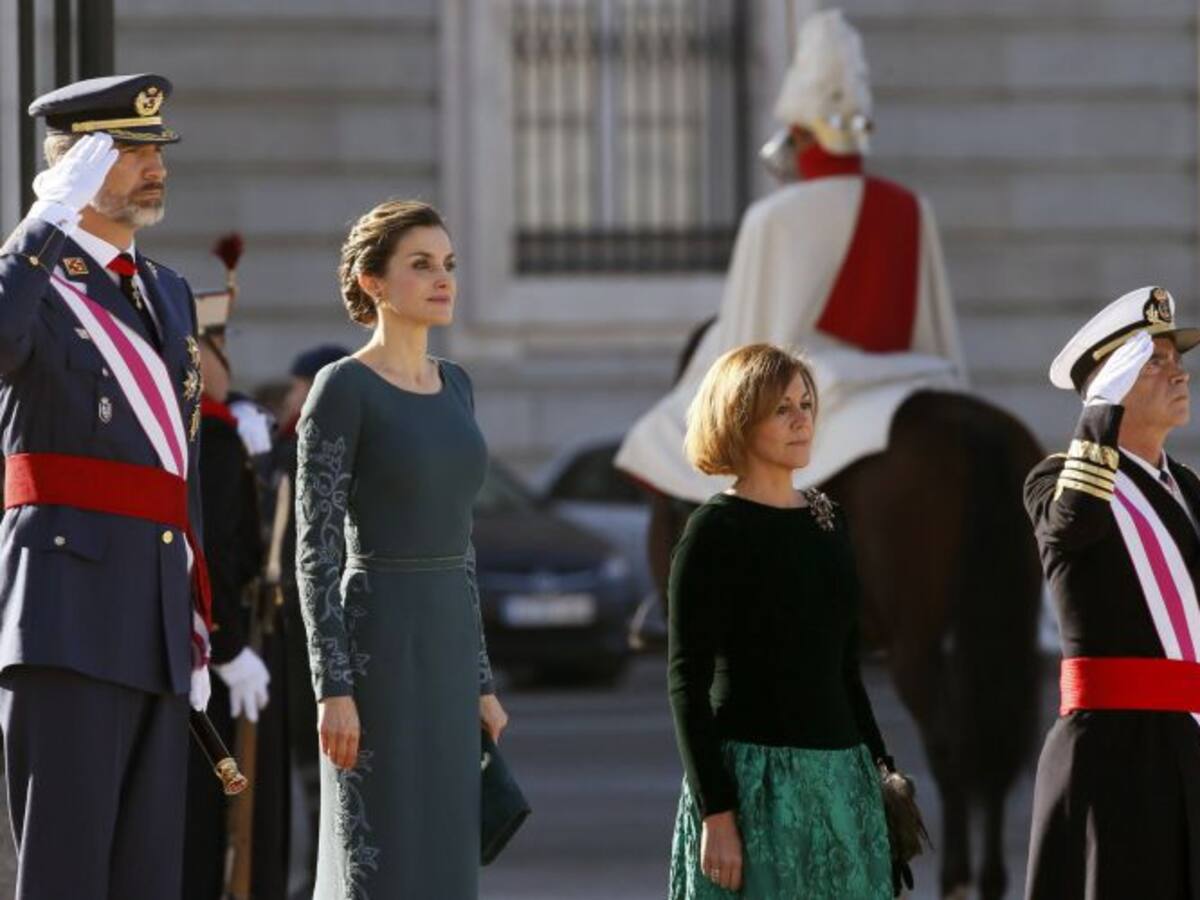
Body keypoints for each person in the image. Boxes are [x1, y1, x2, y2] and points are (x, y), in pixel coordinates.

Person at [0, 73, 211, 898]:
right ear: (75, 165)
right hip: (67, 614)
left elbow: (178, 465)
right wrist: (43, 222)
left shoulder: (167, 290)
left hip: (155, 616)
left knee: (147, 877)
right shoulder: (33, 278)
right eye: (129, 150)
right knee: (66, 872)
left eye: (157, 149)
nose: (156, 166)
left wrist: (196, 613)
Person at [616, 7, 964, 503]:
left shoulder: (773, 216)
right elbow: (934, 329)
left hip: (815, 381)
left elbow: (748, 339)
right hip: (913, 371)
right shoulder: (911, 207)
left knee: (663, 435)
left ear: (799, 134)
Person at [295, 200, 508, 898]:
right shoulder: (342, 388)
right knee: (379, 857)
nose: (443, 278)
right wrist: (333, 688)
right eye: (421, 264)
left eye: (448, 264)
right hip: (376, 649)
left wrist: (481, 680)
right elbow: (315, 550)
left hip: (448, 647)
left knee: (446, 857)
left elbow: (463, 545)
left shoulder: (459, 386)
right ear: (374, 281)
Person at [667, 343, 903, 899]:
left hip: (844, 787)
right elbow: (686, 685)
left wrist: (884, 779)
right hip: (754, 791)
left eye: (805, 404)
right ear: (738, 419)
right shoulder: (713, 531)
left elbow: (846, 671)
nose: (802, 420)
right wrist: (717, 812)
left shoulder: (828, 520)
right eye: (781, 409)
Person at [1024, 286, 1200, 899]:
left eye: (1176, 359)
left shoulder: (1186, 487)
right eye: (1154, 362)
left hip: (1186, 744)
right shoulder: (1055, 478)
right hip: (1113, 755)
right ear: (1112, 382)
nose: (1179, 373)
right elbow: (1074, 524)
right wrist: (1099, 415)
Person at [183, 282, 288, 898]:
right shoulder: (212, 439)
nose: (227, 361)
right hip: (219, 654)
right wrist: (225, 648)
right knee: (213, 824)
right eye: (216, 346)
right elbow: (210, 550)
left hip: (236, 642)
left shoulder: (229, 429)